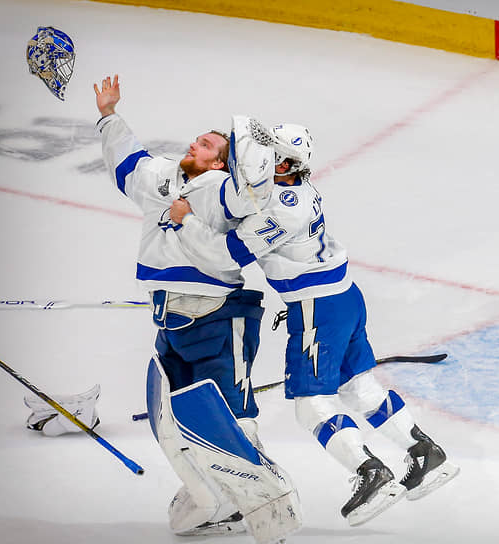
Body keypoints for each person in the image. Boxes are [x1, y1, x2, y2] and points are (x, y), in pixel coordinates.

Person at [168, 123, 459, 527]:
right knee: (358, 387)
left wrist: (185, 221)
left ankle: (370, 473)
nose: (261, 159)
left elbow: (225, 256)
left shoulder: (282, 208)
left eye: (271, 154)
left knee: (311, 405)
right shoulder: (295, 189)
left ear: (285, 163)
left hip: (317, 309)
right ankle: (425, 453)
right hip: (344, 298)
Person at [93, 75, 301, 541]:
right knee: (180, 415)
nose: (194, 143)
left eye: (206, 143)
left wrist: (188, 216)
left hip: (217, 317)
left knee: (232, 413)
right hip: (170, 317)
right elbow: (128, 162)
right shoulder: (165, 177)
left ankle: (267, 502)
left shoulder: (227, 194)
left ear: (223, 162)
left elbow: (234, 240)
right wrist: (109, 114)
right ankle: (215, 494)